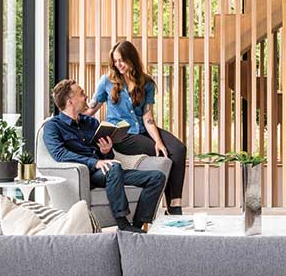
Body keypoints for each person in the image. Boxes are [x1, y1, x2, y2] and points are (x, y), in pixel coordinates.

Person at [44, 78, 165, 233]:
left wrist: (106, 151)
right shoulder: (52, 126)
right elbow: (59, 154)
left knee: (157, 177)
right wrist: (94, 163)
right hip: (85, 175)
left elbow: (107, 157)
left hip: (107, 171)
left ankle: (136, 226)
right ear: (71, 101)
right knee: (113, 166)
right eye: (81, 93)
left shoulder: (91, 122)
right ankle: (122, 223)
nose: (86, 96)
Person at [89, 40, 188, 215]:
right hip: (121, 135)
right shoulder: (106, 81)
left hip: (142, 129)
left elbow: (147, 116)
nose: (118, 65)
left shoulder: (146, 82)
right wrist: (64, 117)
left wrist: (158, 141)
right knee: (164, 155)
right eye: (115, 61)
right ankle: (174, 211)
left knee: (178, 149)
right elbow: (92, 108)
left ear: (131, 58)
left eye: (122, 60)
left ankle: (175, 203)